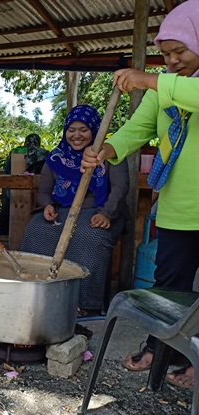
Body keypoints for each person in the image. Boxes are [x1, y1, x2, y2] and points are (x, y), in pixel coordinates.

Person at [82, 0, 199, 388]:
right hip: (178, 209)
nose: (173, 61)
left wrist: (149, 79)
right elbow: (137, 129)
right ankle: (160, 350)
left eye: (180, 51)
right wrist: (105, 150)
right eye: (166, 54)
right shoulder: (164, 87)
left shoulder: (165, 84)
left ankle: (196, 361)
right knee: (169, 290)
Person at [20, 105, 130, 315]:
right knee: (36, 228)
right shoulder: (56, 157)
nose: (76, 135)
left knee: (90, 235)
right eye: (71, 130)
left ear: (94, 130)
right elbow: (44, 192)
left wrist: (106, 214)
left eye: (83, 130)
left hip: (100, 211)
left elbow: (120, 188)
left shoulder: (109, 154)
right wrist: (48, 206)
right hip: (62, 210)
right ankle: (36, 292)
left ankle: (85, 305)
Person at [0, 133, 50, 234]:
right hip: (38, 193)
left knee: (8, 204)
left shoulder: (17, 152)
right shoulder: (46, 153)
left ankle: (4, 232)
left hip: (15, 190)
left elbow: (7, 169)